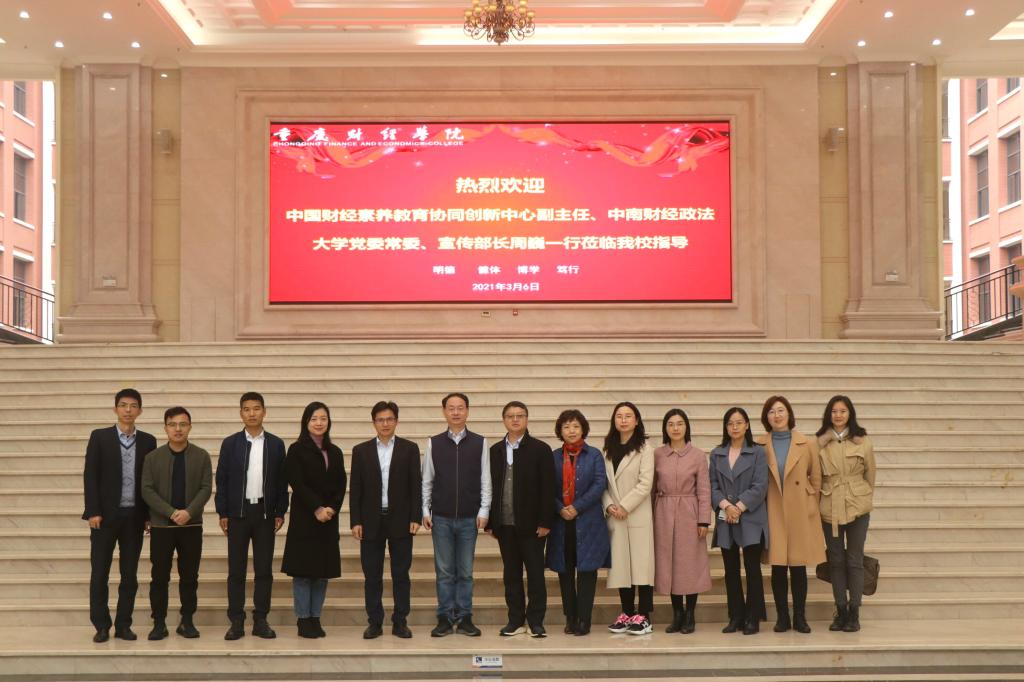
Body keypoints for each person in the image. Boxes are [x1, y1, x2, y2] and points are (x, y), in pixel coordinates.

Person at [82, 388, 158, 643]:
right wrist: (93, 510)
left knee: (129, 575)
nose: (128, 410)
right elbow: (90, 475)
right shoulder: (100, 437)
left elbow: (149, 481)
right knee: (99, 574)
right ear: (115, 408)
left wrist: (148, 515)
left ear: (140, 411)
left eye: (133, 406)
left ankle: (124, 624)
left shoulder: (148, 441)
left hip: (134, 517)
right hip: (104, 518)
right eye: (123, 405)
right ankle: (101, 625)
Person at [215, 391, 289, 640]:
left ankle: (261, 620)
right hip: (238, 513)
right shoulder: (230, 443)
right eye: (247, 409)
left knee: (264, 570)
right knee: (236, 570)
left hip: (265, 514)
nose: (252, 413)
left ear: (264, 412)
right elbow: (222, 480)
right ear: (241, 413)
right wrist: (223, 511)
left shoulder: (276, 444)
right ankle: (236, 621)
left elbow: (282, 481)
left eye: (256, 408)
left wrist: (280, 511)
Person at [421, 392, 492, 637]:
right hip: (440, 517)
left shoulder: (480, 442)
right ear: (444, 412)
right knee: (444, 572)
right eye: (451, 408)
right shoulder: (434, 443)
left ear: (467, 411)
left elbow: (485, 479)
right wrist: (425, 510)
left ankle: (464, 617)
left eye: (460, 407)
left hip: (469, 518)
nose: (456, 412)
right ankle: (444, 617)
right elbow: (427, 480)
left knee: (465, 572)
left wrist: (484, 510)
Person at [350, 401, 422, 639]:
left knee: (401, 574)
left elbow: (416, 485)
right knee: (372, 575)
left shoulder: (409, 449)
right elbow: (356, 489)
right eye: (380, 420)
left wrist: (415, 516)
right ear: (374, 423)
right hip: (370, 521)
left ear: (396, 421)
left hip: (401, 520)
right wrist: (356, 520)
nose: (385, 424)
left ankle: (400, 621)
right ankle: (375, 622)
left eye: (389, 419)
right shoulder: (361, 451)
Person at [140, 407, 213, 641]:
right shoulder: (152, 458)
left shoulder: (202, 456)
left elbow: (205, 488)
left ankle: (187, 621)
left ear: (190, 427)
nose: (178, 429)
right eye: (173, 424)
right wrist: (171, 513)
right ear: (165, 428)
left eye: (183, 424)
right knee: (159, 577)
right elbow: (147, 490)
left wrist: (189, 512)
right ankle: (159, 623)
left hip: (191, 526)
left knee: (189, 576)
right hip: (162, 527)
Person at [486, 401, 556, 638]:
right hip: (504, 525)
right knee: (511, 575)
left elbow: (548, 488)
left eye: (520, 415)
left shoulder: (540, 449)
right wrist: (491, 521)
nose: (515, 419)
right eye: (510, 416)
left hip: (533, 526)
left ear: (527, 419)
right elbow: (488, 487)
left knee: (535, 575)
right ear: (503, 420)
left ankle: (536, 621)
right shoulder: (495, 451)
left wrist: (545, 521)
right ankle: (515, 620)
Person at [759, 395, 826, 634]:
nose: (776, 415)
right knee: (778, 566)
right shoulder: (759, 444)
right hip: (773, 507)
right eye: (771, 412)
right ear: (766, 417)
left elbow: (816, 477)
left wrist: (811, 503)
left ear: (789, 413)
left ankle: (800, 617)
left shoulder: (807, 443)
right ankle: (782, 617)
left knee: (798, 566)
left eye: (780, 410)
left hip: (800, 507)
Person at [281, 401, 346, 639]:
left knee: (321, 573)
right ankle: (303, 619)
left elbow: (341, 484)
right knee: (303, 572)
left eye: (323, 418)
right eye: (314, 419)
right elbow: (296, 482)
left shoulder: (335, 451)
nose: (319, 423)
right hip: (305, 518)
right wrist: (317, 507)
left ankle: (315, 617)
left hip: (328, 520)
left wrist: (332, 508)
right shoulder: (296, 449)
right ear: (306, 422)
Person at [546, 409, 609, 636]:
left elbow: (599, 484)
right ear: (560, 431)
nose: (571, 431)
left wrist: (577, 507)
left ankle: (584, 619)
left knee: (587, 572)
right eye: (566, 427)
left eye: (575, 426)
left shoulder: (594, 455)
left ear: (583, 429)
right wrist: (560, 508)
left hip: (588, 522)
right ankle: (570, 618)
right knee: (565, 572)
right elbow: (547, 487)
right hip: (561, 522)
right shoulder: (553, 456)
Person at [817, 395, 875, 633]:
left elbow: (870, 475)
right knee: (836, 560)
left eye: (842, 411)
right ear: (828, 415)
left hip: (857, 505)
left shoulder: (863, 442)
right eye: (834, 411)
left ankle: (854, 611)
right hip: (830, 505)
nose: (838, 415)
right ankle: (840, 610)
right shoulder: (819, 444)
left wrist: (864, 498)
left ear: (850, 414)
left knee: (854, 559)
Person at [709, 407, 769, 635]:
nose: (734, 427)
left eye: (739, 422)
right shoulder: (717, 454)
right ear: (726, 427)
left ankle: (753, 617)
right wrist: (726, 506)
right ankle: (736, 616)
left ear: (747, 425)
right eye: (730, 423)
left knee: (752, 569)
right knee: (731, 570)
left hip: (751, 516)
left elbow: (760, 485)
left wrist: (740, 507)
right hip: (726, 517)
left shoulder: (758, 452)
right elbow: (712, 486)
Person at [652, 409, 712, 634]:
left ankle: (690, 614)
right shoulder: (657, 454)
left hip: (689, 512)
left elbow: (704, 490)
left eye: (679, 423)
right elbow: (652, 488)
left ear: (686, 427)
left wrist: (704, 520)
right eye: (671, 424)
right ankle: (677, 613)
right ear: (665, 428)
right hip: (663, 512)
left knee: (689, 564)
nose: (675, 428)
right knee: (669, 563)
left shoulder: (697, 455)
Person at [602, 401, 656, 635]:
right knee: (621, 567)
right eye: (619, 416)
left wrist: (625, 506)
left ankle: (643, 616)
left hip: (637, 515)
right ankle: (626, 613)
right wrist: (610, 506)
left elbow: (645, 483)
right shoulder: (607, 449)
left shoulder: (645, 449)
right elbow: (603, 484)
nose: (623, 420)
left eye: (628, 416)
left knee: (642, 567)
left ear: (636, 421)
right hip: (615, 516)